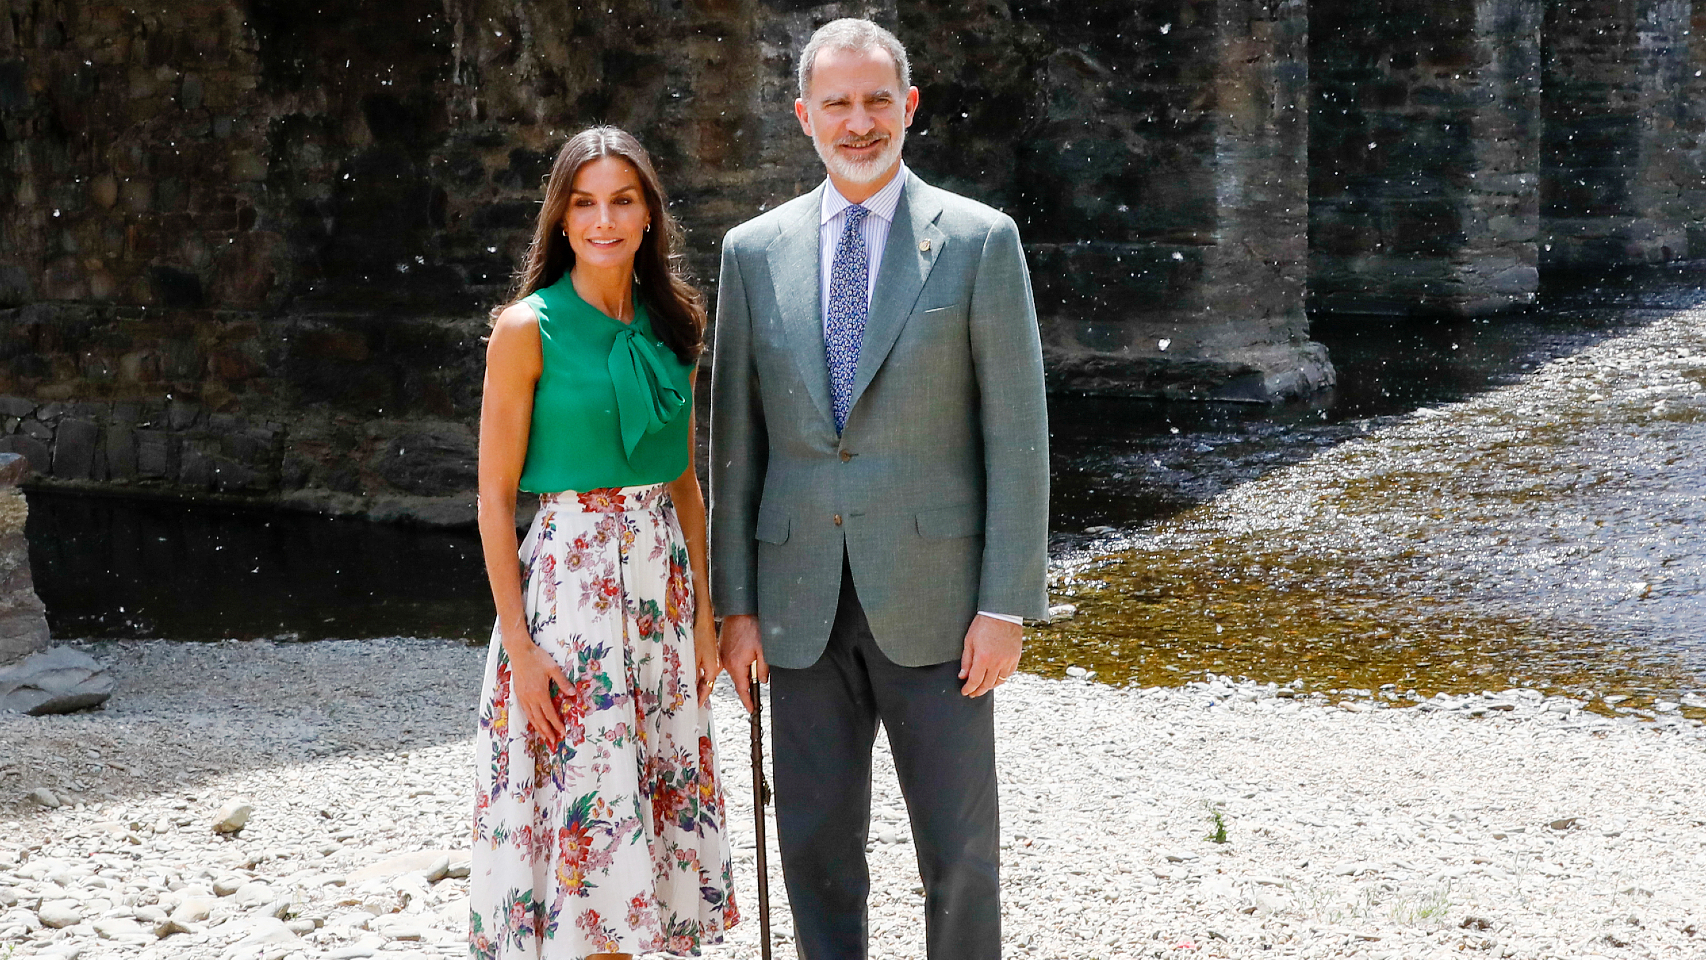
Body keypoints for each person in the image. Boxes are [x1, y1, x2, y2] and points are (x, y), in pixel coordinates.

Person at [710, 18, 1049, 960]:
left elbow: (1017, 438)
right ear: (803, 117)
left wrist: (1007, 603)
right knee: (814, 844)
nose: (858, 123)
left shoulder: (982, 242)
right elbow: (732, 447)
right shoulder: (752, 252)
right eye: (836, 104)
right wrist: (732, 608)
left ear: (908, 107)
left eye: (874, 102)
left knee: (961, 851)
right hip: (797, 600)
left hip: (940, 604)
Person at [470, 126, 739, 960]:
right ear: (559, 219)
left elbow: (686, 486)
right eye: (584, 203)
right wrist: (520, 646)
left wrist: (705, 620)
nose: (603, 219)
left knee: (652, 808)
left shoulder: (675, 322)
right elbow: (492, 497)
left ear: (650, 214)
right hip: (569, 590)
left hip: (663, 593)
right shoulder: (526, 327)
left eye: (623, 200)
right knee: (583, 808)